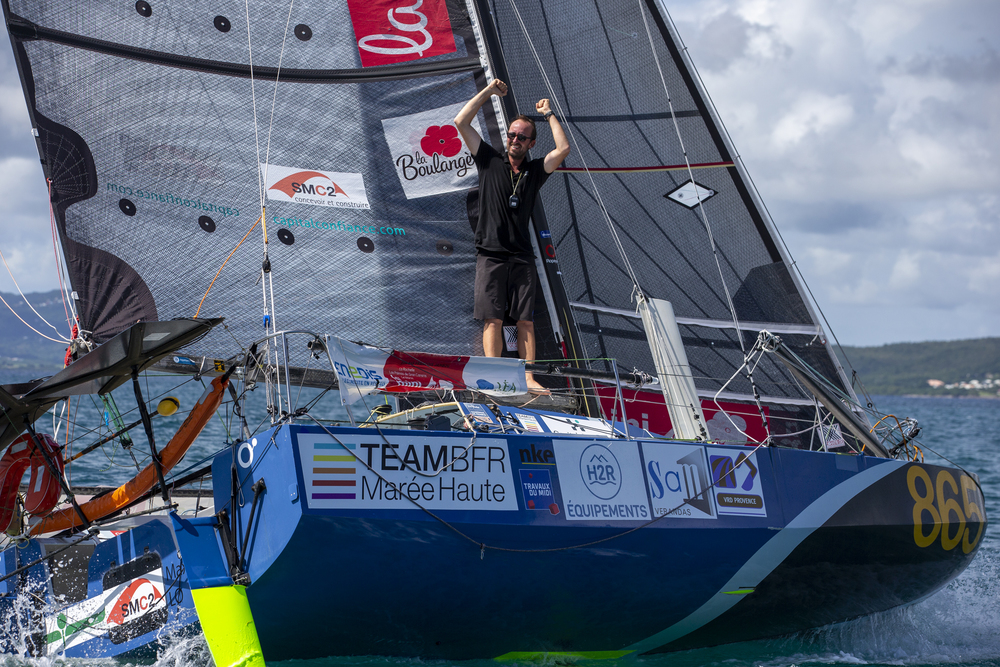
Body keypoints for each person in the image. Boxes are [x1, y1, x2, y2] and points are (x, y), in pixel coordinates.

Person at [454, 79, 570, 393]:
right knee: (492, 318)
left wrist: (549, 114)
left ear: (531, 143)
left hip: (521, 256)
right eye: (511, 135)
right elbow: (460, 122)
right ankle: (494, 376)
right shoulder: (489, 160)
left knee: (525, 321)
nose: (515, 140)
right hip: (490, 254)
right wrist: (488, 92)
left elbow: (563, 149)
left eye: (522, 137)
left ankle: (528, 378)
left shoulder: (535, 172)